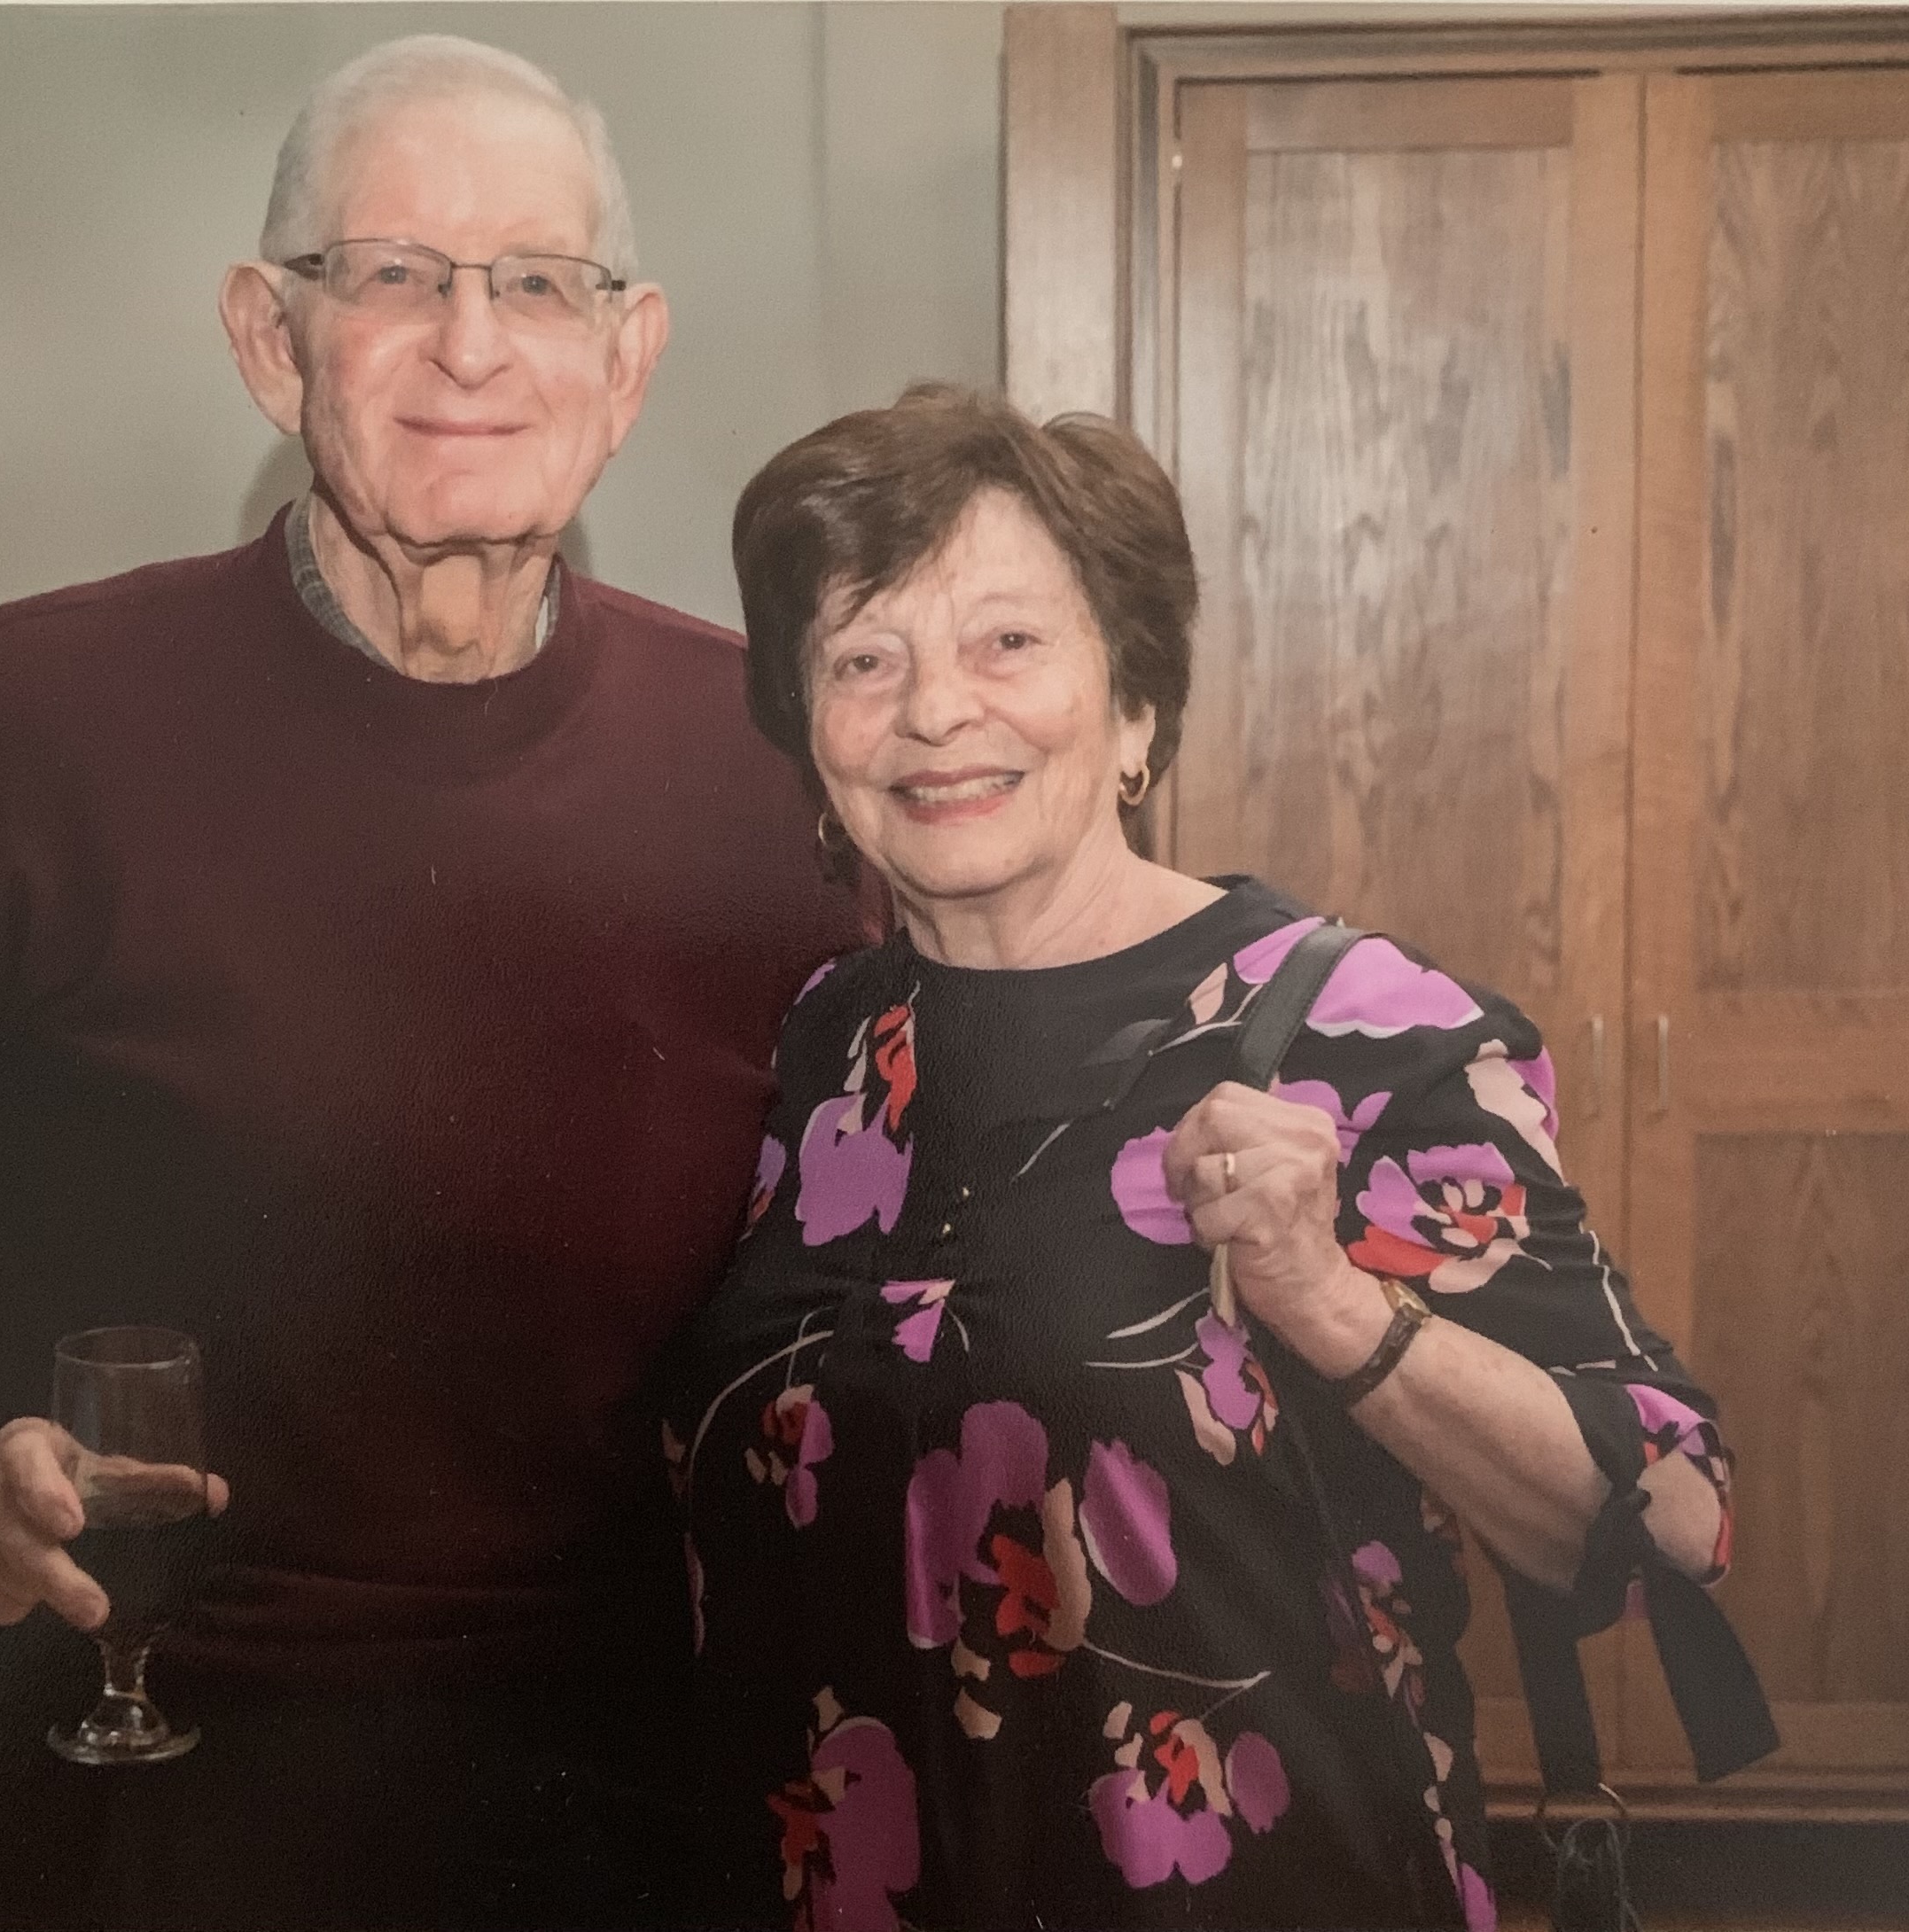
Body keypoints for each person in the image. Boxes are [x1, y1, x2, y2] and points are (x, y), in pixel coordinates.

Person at [0, 35, 867, 1931]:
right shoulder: (17, 725)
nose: (471, 346)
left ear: (626, 357)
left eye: (536, 284)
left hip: (632, 1759)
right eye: (393, 273)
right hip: (152, 1736)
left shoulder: (770, 759)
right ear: (270, 337)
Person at [659, 386, 1743, 1930]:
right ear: (807, 731)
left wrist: (1329, 1301)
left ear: (1135, 708)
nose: (933, 711)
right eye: (861, 657)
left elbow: (1669, 1520)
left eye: (1007, 643)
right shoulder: (831, 1037)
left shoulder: (1355, 1025)